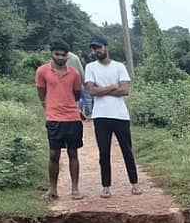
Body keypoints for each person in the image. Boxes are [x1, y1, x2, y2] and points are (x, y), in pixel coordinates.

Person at [84, 36, 142, 198]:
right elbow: (91, 91)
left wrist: (102, 89)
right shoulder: (90, 67)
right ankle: (106, 186)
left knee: (127, 150)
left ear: (106, 47)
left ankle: (135, 183)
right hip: (100, 116)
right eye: (95, 48)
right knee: (104, 152)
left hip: (120, 115)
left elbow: (125, 90)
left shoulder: (119, 67)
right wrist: (112, 87)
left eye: (99, 47)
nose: (97, 51)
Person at [35, 39, 83, 200]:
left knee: (73, 153)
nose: (60, 57)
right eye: (57, 54)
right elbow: (41, 92)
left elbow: (77, 94)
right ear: (52, 54)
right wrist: (49, 107)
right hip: (54, 118)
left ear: (67, 56)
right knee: (54, 154)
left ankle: (75, 189)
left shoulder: (74, 73)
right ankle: (53, 189)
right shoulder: (42, 71)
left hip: (72, 118)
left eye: (63, 55)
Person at [66, 50, 93, 119]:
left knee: (78, 99)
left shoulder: (60, 58)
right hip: (78, 81)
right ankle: (89, 113)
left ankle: (78, 111)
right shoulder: (75, 58)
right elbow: (81, 70)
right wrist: (84, 82)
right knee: (87, 97)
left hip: (67, 83)